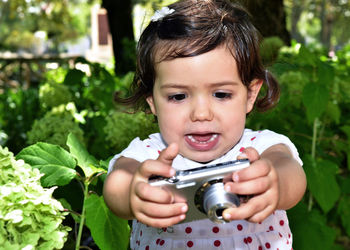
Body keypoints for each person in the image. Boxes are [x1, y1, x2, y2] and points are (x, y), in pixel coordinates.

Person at [103, 0, 307, 249]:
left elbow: (290, 173)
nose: (201, 114)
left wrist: (274, 181)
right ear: (153, 102)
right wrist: (134, 193)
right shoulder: (151, 157)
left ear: (250, 95)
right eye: (178, 96)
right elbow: (117, 183)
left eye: (221, 94)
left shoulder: (261, 149)